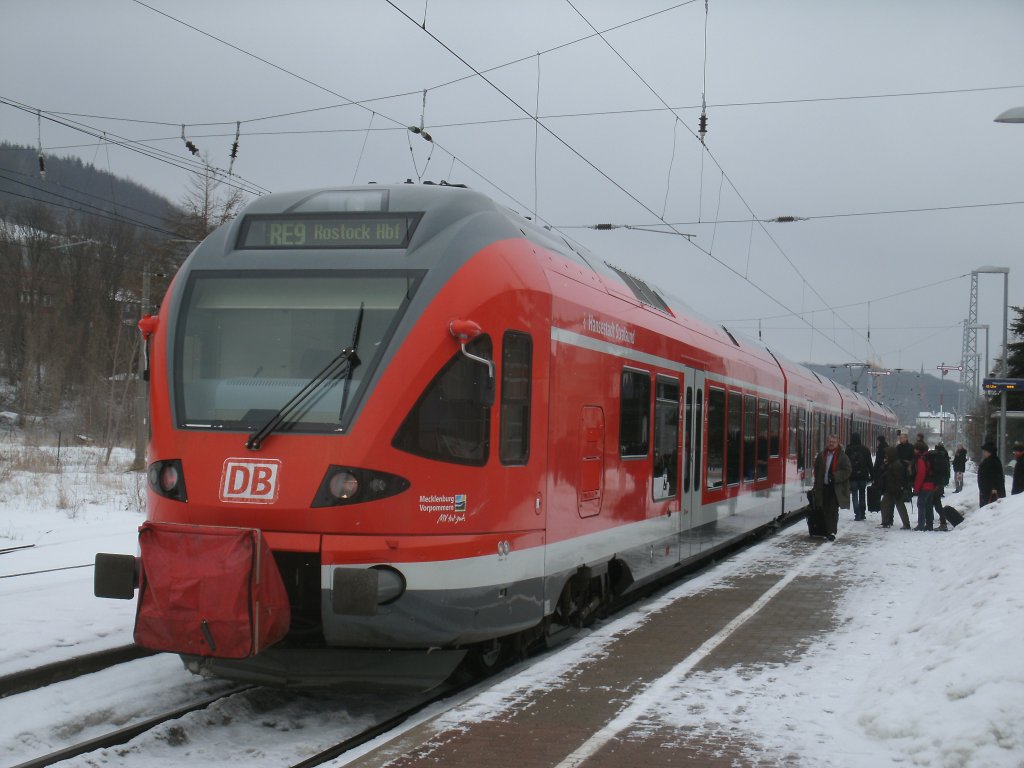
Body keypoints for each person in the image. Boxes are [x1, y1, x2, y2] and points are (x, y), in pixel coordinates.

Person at [812, 433, 851, 541]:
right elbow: (817, 470)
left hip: (835, 488)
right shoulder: (821, 455)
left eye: (833, 442)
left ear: (837, 443)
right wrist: (816, 486)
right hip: (823, 486)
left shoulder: (843, 456)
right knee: (823, 508)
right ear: (826, 442)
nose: (831, 444)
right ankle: (825, 529)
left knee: (832, 510)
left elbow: (848, 471)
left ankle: (832, 532)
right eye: (829, 442)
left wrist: (835, 476)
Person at [880, 445, 911, 529]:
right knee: (886, 504)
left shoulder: (897, 465)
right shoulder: (892, 463)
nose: (885, 456)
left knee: (899, 506)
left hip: (895, 489)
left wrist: (899, 488)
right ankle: (885, 522)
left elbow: (899, 479)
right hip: (891, 489)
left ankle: (905, 524)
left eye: (887, 454)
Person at [845, 433, 872, 521]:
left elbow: (846, 464)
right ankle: (863, 512)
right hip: (863, 476)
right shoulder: (865, 450)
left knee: (854, 494)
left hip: (852, 476)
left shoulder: (848, 450)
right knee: (862, 493)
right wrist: (872, 475)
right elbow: (869, 464)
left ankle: (857, 513)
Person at [912, 441, 937, 530]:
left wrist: (916, 488)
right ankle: (929, 525)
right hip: (932, 484)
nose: (914, 451)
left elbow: (921, 475)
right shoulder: (929, 457)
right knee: (929, 504)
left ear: (918, 450)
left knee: (921, 504)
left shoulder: (921, 459)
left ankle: (921, 524)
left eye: (915, 449)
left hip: (925, 485)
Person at [929, 443, 951, 531]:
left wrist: (937, 484)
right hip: (940, 484)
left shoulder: (939, 459)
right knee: (936, 503)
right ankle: (942, 522)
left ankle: (942, 523)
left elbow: (938, 473)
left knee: (936, 503)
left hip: (937, 485)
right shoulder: (944, 457)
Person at [977, 441, 1006, 508]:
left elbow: (997, 476)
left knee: (990, 510)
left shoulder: (993, 461)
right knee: (986, 509)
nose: (983, 452)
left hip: (991, 493)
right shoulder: (989, 460)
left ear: (989, 452)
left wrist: (994, 487)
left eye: (985, 451)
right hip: (986, 491)